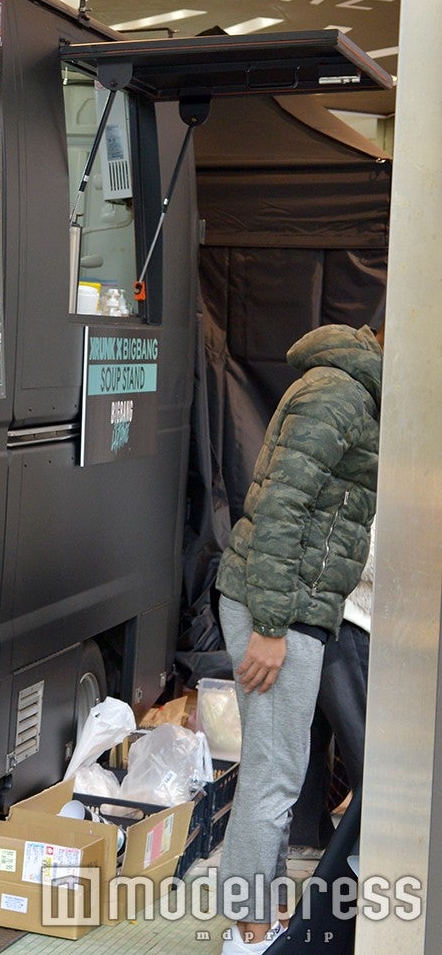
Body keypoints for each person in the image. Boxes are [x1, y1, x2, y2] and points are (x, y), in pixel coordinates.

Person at [215, 323, 381, 955]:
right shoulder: (340, 394)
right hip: (278, 611)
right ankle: (249, 935)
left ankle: (261, 922)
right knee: (274, 777)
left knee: (277, 773)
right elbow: (281, 510)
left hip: (294, 608)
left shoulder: (348, 390)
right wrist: (270, 627)